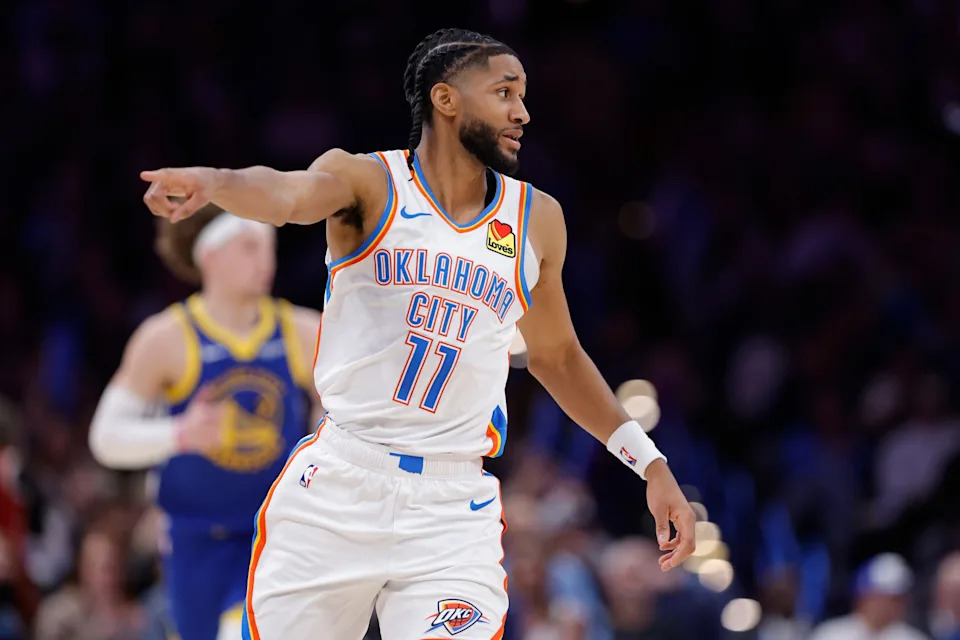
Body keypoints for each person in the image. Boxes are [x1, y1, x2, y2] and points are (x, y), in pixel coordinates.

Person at [140, 27, 696, 639]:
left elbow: (559, 356)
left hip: (451, 506)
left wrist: (650, 464)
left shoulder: (538, 219)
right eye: (505, 92)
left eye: (524, 95)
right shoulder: (368, 182)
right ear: (446, 99)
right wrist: (218, 184)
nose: (522, 111)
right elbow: (289, 194)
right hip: (340, 486)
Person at [87, 205, 322, 640]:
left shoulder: (303, 331)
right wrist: (180, 434)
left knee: (243, 631)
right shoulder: (166, 338)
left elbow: (355, 415)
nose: (265, 261)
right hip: (192, 539)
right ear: (208, 257)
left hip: (272, 535)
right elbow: (105, 438)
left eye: (269, 248)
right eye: (249, 247)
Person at [809, 553, 929, 640]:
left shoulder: (913, 638)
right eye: (882, 597)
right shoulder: (831, 634)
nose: (888, 606)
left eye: (897, 599)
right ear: (864, 596)